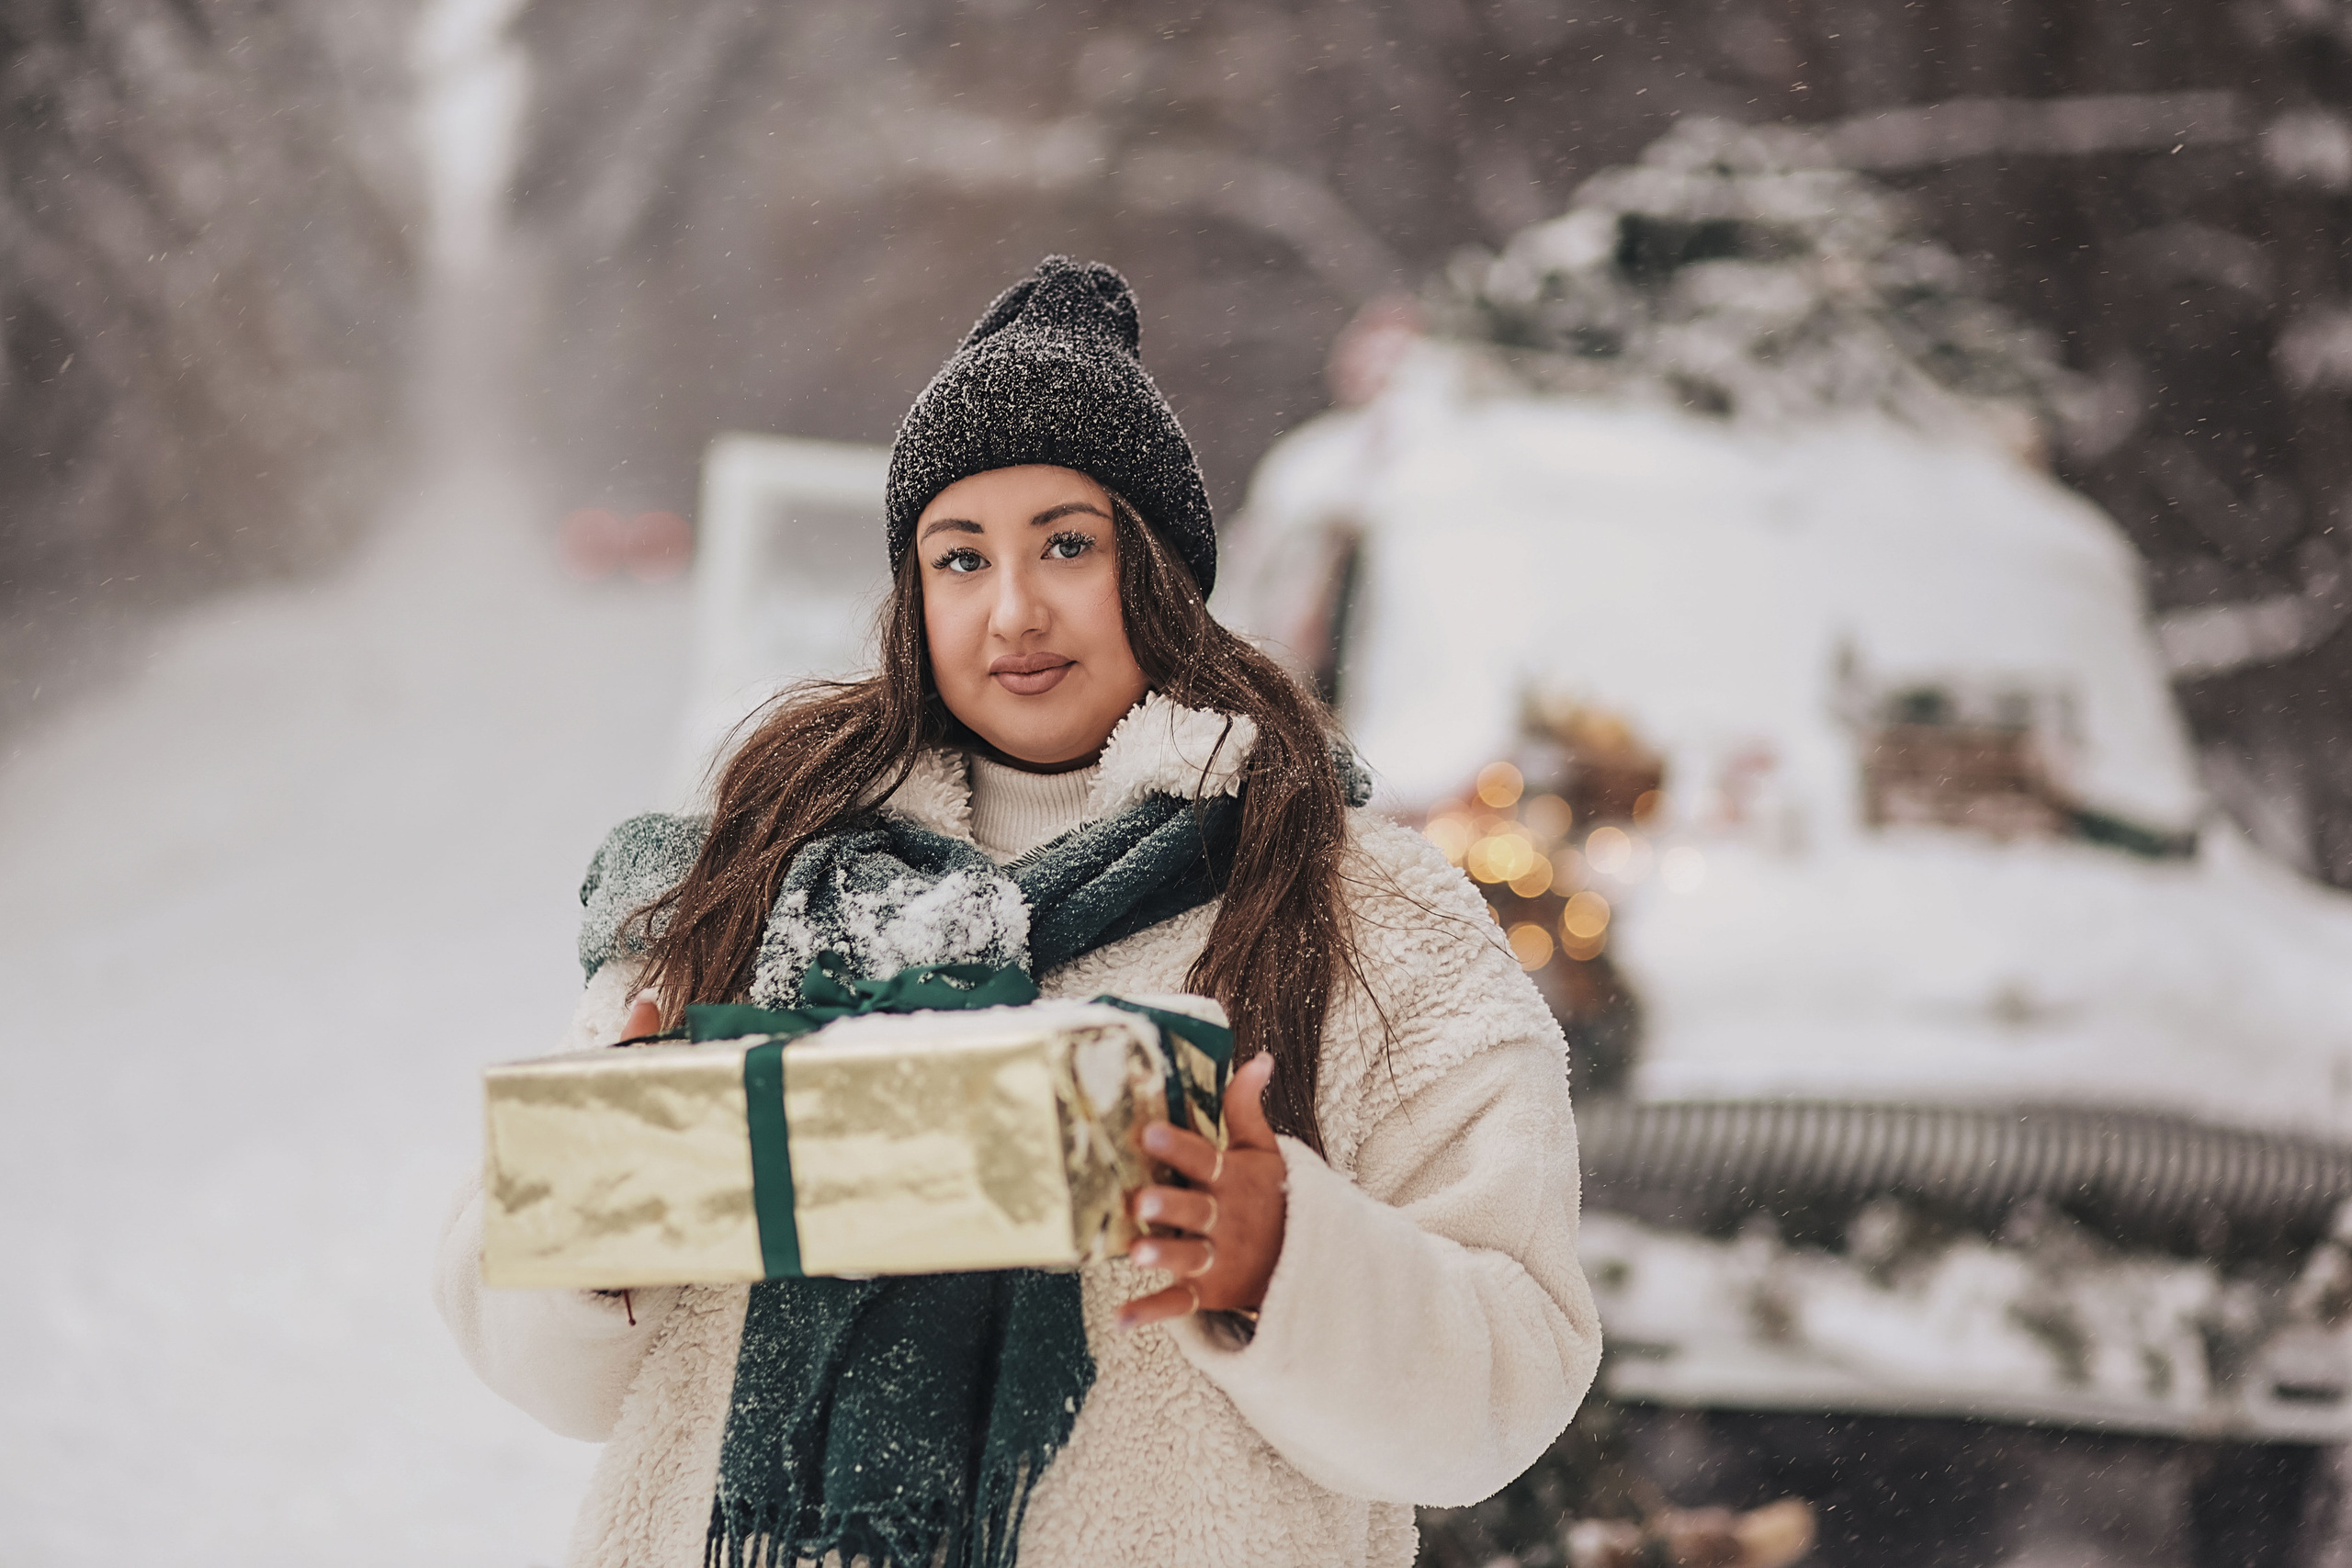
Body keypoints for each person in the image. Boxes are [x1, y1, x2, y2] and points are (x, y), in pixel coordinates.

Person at [436, 255, 1601, 1568]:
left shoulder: (1361, 908)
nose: (1014, 609)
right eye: (959, 557)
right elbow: (533, 1355)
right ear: (913, 595)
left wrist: (1287, 1259)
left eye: (1066, 544)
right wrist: (601, 1209)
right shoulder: (752, 879)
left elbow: (1517, 1370)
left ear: (1154, 567)